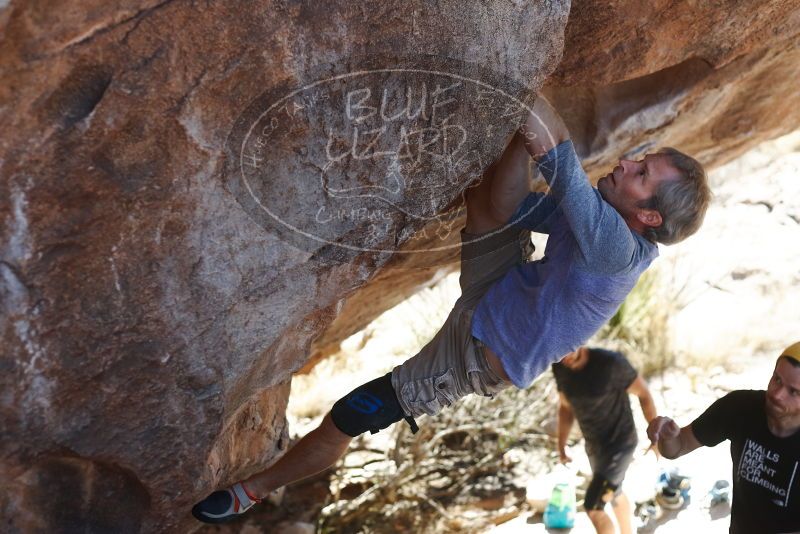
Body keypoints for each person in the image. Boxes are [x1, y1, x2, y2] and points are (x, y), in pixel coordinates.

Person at [192, 96, 711, 523]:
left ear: (647, 214)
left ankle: (253, 490)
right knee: (485, 204)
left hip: (476, 356)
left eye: (640, 172)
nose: (625, 163)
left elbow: (557, 153)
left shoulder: (616, 249)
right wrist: (520, 120)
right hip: (501, 290)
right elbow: (510, 208)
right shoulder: (603, 222)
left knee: (349, 414)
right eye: (636, 160)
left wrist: (525, 83)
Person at [647, 342, 800, 534]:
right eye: (777, 379)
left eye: (793, 391)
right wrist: (668, 437)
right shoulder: (740, 407)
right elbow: (678, 447)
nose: (777, 394)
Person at [553, 346, 657, 534]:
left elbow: (644, 393)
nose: (563, 357)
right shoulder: (559, 366)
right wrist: (561, 446)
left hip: (620, 444)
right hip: (595, 448)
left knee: (594, 507)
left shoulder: (611, 363)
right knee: (614, 493)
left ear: (579, 340)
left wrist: (655, 438)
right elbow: (566, 408)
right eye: (557, 354)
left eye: (565, 350)